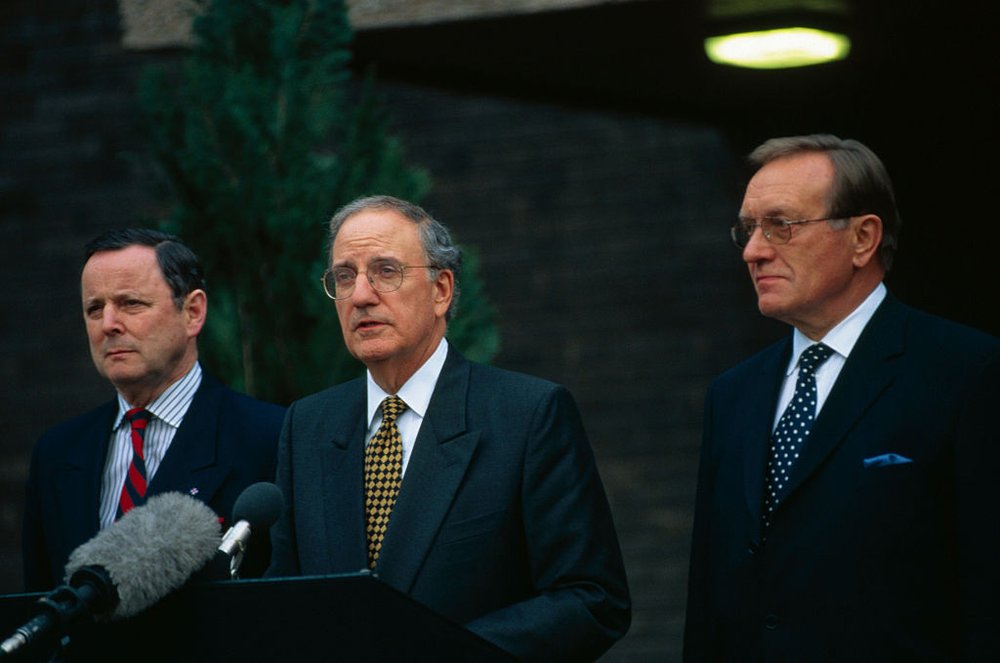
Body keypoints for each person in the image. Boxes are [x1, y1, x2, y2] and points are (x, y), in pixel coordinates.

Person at [267, 195, 630, 661]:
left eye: (385, 271)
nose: (360, 296)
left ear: (441, 290)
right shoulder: (308, 425)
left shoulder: (527, 415)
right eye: (344, 277)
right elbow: (286, 598)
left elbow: (592, 599)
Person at [684, 134, 999, 661]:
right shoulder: (733, 394)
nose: (754, 251)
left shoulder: (966, 372)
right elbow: (710, 595)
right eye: (747, 229)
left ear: (862, 238)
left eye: (781, 225)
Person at [22, 228, 286, 590]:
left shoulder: (268, 437)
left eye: (131, 303)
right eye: (94, 309)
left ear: (193, 312)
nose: (108, 325)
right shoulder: (58, 454)